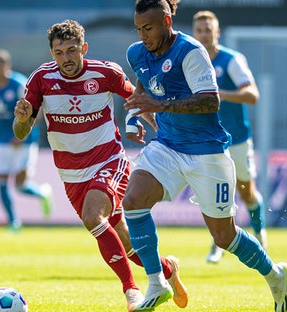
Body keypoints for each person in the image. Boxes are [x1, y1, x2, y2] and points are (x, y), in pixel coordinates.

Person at [121, 0, 287, 311]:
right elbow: (141, 88)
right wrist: (134, 117)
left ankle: (275, 275)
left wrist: (159, 106)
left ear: (167, 22)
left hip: (207, 154)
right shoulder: (137, 53)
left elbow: (210, 100)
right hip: (168, 146)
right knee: (132, 202)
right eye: (138, 29)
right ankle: (157, 284)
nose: (143, 36)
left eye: (149, 28)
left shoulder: (191, 52)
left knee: (223, 238)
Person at [12, 19, 185, 312]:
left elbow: (137, 99)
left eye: (71, 50)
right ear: (51, 54)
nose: (65, 58)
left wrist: (163, 130)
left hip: (109, 160)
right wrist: (21, 118)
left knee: (94, 217)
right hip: (71, 174)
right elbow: (21, 132)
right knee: (126, 245)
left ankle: (132, 291)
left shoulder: (105, 73)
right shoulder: (41, 79)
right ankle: (168, 269)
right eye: (59, 52)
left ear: (84, 48)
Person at [192, 10, 267, 264]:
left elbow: (252, 95)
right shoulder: (189, 61)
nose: (204, 35)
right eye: (199, 30)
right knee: (212, 195)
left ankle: (259, 233)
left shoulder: (231, 60)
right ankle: (218, 243)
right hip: (207, 141)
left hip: (236, 138)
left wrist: (219, 94)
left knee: (246, 194)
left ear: (217, 32)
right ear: (194, 33)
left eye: (208, 30)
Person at [0, 49, 53, 232]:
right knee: (2, 179)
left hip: (24, 140)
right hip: (1, 139)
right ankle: (13, 222)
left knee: (20, 185)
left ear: (7, 67)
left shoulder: (20, 84)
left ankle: (43, 193)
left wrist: (23, 135)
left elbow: (36, 111)